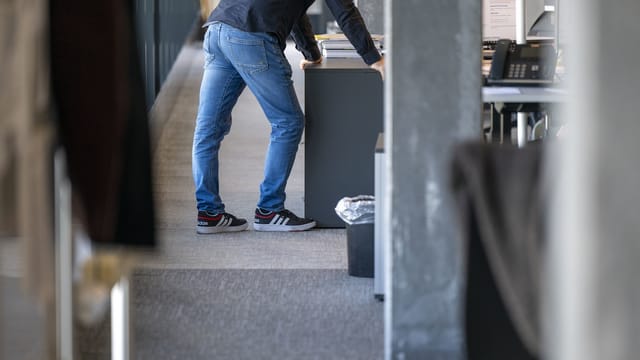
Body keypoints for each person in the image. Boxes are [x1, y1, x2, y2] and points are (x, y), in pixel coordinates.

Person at [192, 0, 384, 234]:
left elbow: (294, 12)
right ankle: (269, 210)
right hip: (250, 36)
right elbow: (346, 13)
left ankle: (209, 214)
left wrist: (312, 54)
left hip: (217, 29)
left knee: (207, 130)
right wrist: (375, 59)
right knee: (288, 122)